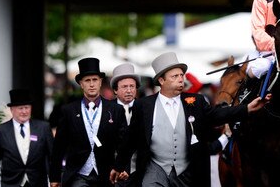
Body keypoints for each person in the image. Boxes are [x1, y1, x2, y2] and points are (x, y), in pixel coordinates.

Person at [114, 52, 269, 187]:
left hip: (188, 170)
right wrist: (118, 166)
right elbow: (130, 138)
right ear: (161, 80)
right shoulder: (144, 105)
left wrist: (247, 108)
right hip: (155, 170)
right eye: (175, 76)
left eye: (182, 75)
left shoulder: (197, 101)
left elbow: (216, 116)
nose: (181, 79)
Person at [50, 57, 128, 187]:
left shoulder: (115, 110)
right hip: (78, 175)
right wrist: (55, 177)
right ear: (81, 84)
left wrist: (122, 167)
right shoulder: (68, 111)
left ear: (100, 82)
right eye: (87, 80)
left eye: (95, 80)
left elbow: (124, 144)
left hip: (106, 175)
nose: (91, 84)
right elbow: (59, 147)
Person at [0, 89, 54, 187]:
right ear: (12, 110)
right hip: (11, 183)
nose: (24, 111)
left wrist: (55, 180)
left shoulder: (43, 128)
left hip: (38, 183)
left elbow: (52, 157)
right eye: (20, 108)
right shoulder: (0, 131)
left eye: (27, 107)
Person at [110, 62, 141, 187]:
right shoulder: (107, 110)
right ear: (115, 90)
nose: (129, 90)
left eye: (132, 86)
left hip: (140, 171)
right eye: (124, 87)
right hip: (113, 173)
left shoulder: (145, 108)